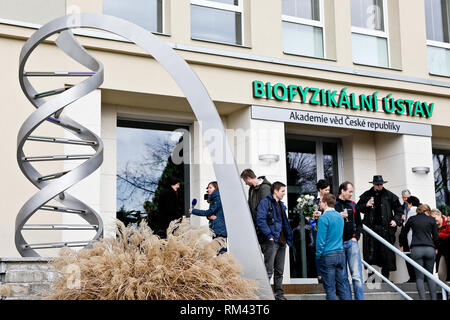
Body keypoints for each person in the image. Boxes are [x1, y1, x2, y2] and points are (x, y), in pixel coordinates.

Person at [356, 175, 403, 280]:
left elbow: (399, 210)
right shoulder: (366, 195)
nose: (379, 186)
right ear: (373, 184)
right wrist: (366, 205)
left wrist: (395, 220)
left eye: (381, 184)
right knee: (371, 254)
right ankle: (371, 279)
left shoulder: (390, 195)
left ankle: (386, 279)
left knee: (385, 254)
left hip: (385, 229)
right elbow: (357, 209)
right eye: (377, 184)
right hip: (370, 229)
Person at [256, 181, 293, 300]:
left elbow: (284, 223)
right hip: (271, 241)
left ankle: (279, 294)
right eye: (282, 191)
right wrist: (269, 236)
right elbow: (260, 220)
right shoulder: (265, 202)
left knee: (279, 270)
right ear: (275, 191)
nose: (284, 193)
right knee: (268, 270)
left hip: (282, 241)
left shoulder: (281, 205)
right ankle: (264, 295)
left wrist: (288, 238)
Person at [316, 193, 352, 300]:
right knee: (343, 286)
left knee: (330, 288)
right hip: (340, 254)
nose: (320, 204)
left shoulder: (323, 218)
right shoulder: (340, 217)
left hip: (328, 255)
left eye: (321, 202)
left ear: (325, 203)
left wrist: (318, 256)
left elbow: (320, 241)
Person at [400, 204, 439, 300]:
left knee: (419, 278)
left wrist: (402, 245)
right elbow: (436, 236)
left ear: (418, 211)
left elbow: (403, 233)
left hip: (416, 249)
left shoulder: (412, 219)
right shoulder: (431, 220)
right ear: (427, 211)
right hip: (430, 249)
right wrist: (437, 247)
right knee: (430, 276)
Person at [334, 181, 364, 300]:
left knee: (356, 275)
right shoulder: (334, 205)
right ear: (342, 191)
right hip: (338, 244)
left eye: (352, 191)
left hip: (351, 243)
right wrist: (338, 216)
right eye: (350, 191)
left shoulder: (353, 204)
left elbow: (359, 224)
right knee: (342, 276)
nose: (351, 194)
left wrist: (355, 237)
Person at [189, 181, 227, 254]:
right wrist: (209, 217)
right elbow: (210, 214)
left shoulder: (217, 198)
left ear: (216, 188)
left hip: (220, 229)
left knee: (221, 252)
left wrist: (194, 211)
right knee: (218, 251)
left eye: (210, 187)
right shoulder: (215, 198)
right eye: (208, 188)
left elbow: (209, 212)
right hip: (217, 229)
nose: (208, 190)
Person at [240, 169, 271, 243]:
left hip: (264, 225)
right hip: (257, 225)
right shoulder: (252, 189)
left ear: (248, 178)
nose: (245, 183)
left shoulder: (265, 187)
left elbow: (266, 207)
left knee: (267, 250)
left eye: (245, 181)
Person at [399, 196, 421, 282]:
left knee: (411, 260)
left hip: (411, 239)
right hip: (418, 239)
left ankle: (413, 278)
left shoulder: (412, 211)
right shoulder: (419, 211)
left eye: (407, 203)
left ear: (410, 204)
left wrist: (404, 222)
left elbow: (406, 228)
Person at [431, 209, 450, 281]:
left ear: (440, 215)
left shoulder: (447, 224)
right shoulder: (433, 227)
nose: (434, 221)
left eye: (435, 219)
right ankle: (444, 291)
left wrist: (439, 235)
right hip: (441, 253)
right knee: (441, 273)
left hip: (447, 251)